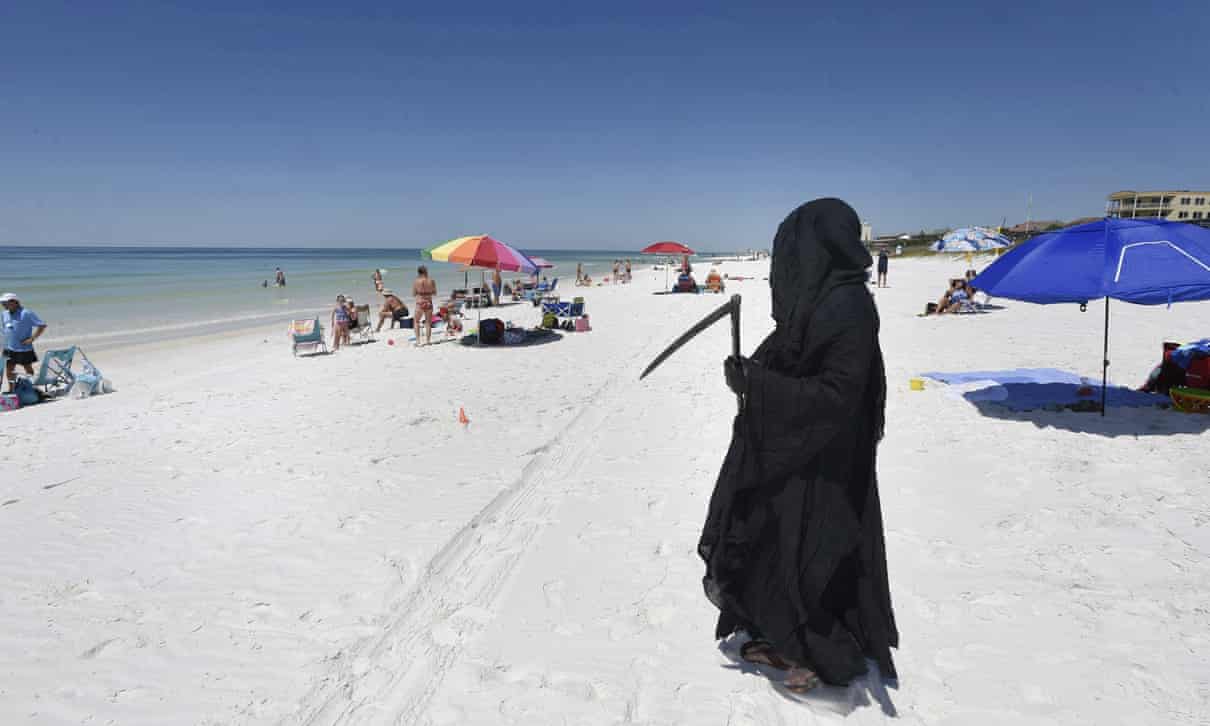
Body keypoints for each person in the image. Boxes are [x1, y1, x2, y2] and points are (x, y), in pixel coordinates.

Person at [701, 198, 897, 694]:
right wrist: (750, 375)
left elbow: (839, 394)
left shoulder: (848, 306)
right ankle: (776, 632)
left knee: (807, 554)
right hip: (802, 449)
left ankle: (811, 651)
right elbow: (790, 353)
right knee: (768, 537)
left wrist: (760, 388)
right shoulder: (822, 296)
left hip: (825, 460)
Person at [2, 293, 47, 394]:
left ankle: (31, 388)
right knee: (9, 369)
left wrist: (32, 339)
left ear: (15, 302)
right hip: (9, 347)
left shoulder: (26, 313)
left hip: (24, 348)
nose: (3, 304)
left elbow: (42, 325)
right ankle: (11, 390)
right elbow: (4, 329)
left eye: (6, 302)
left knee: (28, 368)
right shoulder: (4, 314)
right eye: (2, 302)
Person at [412, 265, 437, 347]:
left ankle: (418, 341)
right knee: (428, 323)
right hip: (429, 303)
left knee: (416, 321)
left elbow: (413, 294)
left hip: (420, 303)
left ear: (418, 272)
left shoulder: (416, 281)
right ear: (426, 271)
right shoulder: (432, 281)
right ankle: (428, 341)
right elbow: (435, 293)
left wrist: (420, 292)